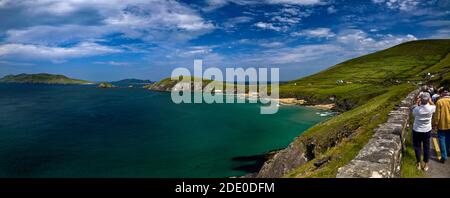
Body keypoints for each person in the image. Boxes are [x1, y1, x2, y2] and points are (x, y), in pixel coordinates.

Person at [412, 94, 435, 171]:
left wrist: (417, 102)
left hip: (417, 130)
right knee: (426, 147)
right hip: (427, 130)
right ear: (428, 100)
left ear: (421, 100)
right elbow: (434, 106)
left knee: (417, 147)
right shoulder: (431, 108)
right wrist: (430, 101)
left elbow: (413, 112)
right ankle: (426, 165)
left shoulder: (416, 109)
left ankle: (418, 164)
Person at [434, 87, 450, 163]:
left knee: (442, 139)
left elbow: (437, 115)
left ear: (442, 94)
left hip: (442, 124)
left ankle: (444, 156)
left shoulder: (439, 102)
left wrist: (435, 124)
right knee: (448, 138)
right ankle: (448, 151)